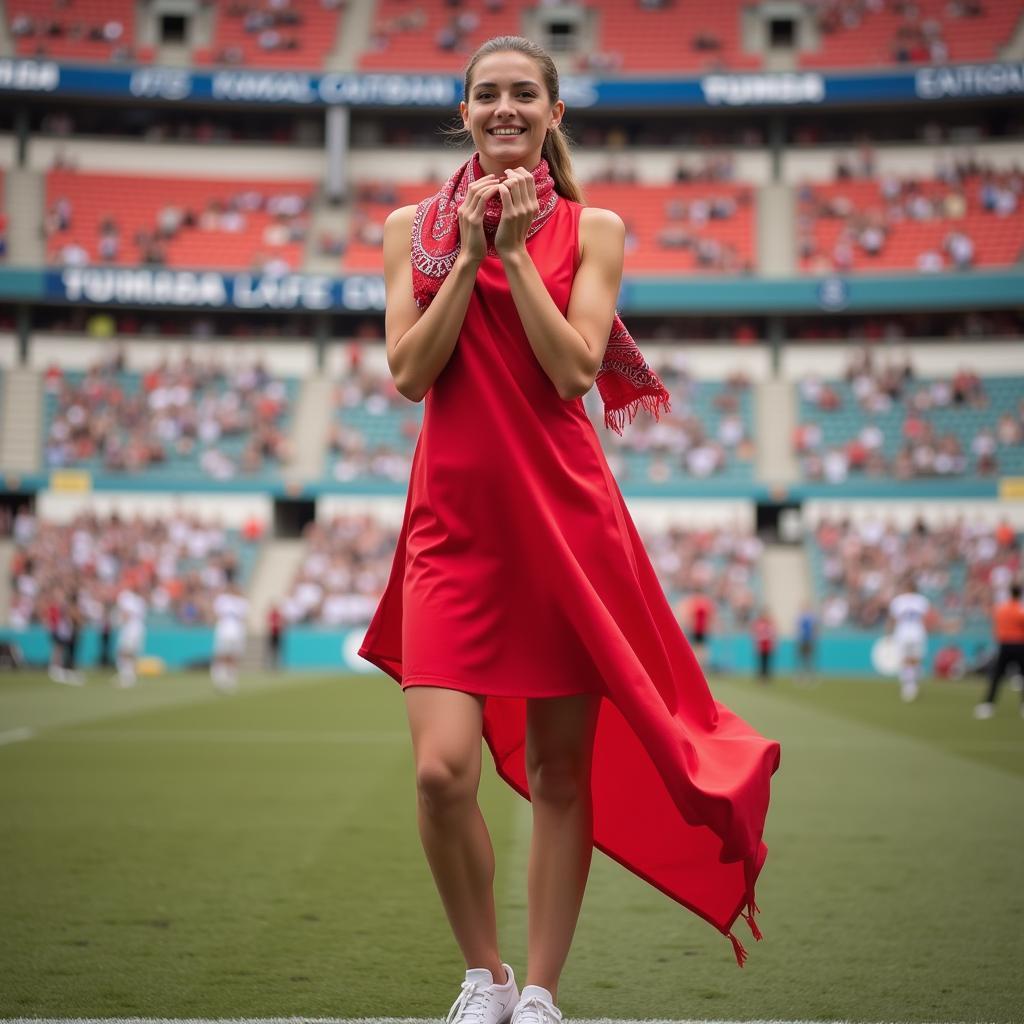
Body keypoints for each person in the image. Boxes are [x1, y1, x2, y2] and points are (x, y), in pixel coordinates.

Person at [358, 35, 780, 1024]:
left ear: (551, 115)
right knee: (438, 767)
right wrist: (467, 257)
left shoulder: (595, 230)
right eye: (485, 96)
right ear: (462, 113)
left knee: (557, 770)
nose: (503, 109)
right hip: (449, 528)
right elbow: (411, 373)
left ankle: (539, 991)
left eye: (522, 95)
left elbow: (574, 373)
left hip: (563, 523)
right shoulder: (406, 229)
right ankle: (483, 975)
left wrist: (513, 254)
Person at [973, 581, 1024, 719]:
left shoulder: (1002, 608)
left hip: (1005, 645)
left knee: (996, 676)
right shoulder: (1020, 609)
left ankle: (988, 704)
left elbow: (994, 620)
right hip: (1020, 645)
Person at [887, 577, 931, 703]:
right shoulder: (922, 600)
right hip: (918, 633)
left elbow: (893, 619)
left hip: (903, 633)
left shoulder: (898, 601)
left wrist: (889, 632)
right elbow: (927, 618)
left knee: (906, 660)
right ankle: (912, 685)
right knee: (915, 660)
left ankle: (908, 685)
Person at [211, 574, 248, 694]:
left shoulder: (242, 602)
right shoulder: (223, 599)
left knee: (234, 655)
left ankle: (231, 679)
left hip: (237, 632)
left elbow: (243, 617)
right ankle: (219, 678)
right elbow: (217, 614)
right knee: (221, 654)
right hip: (224, 631)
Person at [114, 584, 147, 689]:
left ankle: (127, 676)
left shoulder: (127, 598)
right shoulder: (139, 600)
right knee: (128, 652)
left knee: (125, 652)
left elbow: (126, 615)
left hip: (131, 629)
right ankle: (128, 675)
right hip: (137, 628)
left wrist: (118, 621)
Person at [752, 607, 776, 682]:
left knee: (767, 661)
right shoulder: (759, 623)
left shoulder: (770, 623)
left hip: (767, 645)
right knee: (761, 661)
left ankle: (766, 676)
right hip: (761, 645)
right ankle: (761, 676)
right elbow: (755, 634)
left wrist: (773, 643)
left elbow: (772, 634)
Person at [795, 605, 817, 683]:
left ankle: (809, 676)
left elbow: (814, 628)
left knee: (809, 658)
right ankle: (800, 676)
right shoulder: (800, 617)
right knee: (801, 658)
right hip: (802, 640)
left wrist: (813, 637)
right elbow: (798, 628)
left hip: (809, 640)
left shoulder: (811, 617)